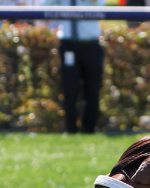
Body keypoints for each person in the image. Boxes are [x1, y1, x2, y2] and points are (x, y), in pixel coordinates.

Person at [42, 0, 105, 133]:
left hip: (91, 44)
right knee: (69, 89)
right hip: (69, 44)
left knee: (93, 89)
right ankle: (70, 129)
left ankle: (89, 129)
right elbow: (45, 9)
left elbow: (101, 5)